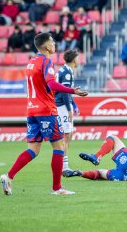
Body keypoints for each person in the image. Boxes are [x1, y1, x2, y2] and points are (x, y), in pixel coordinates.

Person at [0, 33, 88, 196]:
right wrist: (72, 91)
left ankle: (8, 176)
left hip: (31, 110)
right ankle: (57, 188)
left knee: (33, 149)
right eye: (52, 42)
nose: (55, 44)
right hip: (46, 110)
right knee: (59, 146)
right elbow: (52, 84)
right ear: (47, 46)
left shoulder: (31, 62)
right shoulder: (47, 61)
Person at [55, 49, 81, 177]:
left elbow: (69, 91)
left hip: (63, 106)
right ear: (74, 59)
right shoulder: (66, 72)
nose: (79, 60)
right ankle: (64, 167)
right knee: (66, 136)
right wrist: (69, 109)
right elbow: (65, 92)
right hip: (62, 107)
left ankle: (64, 165)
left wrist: (74, 105)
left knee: (67, 135)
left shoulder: (66, 70)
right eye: (78, 57)